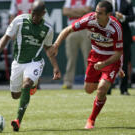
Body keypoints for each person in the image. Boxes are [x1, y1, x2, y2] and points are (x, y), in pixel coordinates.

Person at [0, 0, 61, 132]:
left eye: (37, 15)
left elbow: (48, 48)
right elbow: (6, 37)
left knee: (26, 84)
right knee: (15, 95)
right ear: (30, 10)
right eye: (33, 13)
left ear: (43, 13)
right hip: (18, 62)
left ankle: (18, 120)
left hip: (35, 62)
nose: (34, 17)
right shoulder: (19, 20)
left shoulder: (47, 29)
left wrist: (55, 67)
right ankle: (31, 87)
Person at [50, 1, 124, 129]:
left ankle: (91, 120)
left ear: (108, 15)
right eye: (95, 11)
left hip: (111, 60)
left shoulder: (116, 27)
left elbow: (118, 54)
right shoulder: (89, 19)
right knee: (88, 90)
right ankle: (102, 91)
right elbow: (68, 29)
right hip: (95, 56)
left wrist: (107, 64)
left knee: (101, 89)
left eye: (100, 13)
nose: (96, 15)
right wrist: (56, 45)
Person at [62, 0, 95, 89]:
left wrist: (72, 12)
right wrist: (82, 13)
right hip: (71, 30)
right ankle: (68, 82)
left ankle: (90, 81)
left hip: (85, 30)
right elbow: (65, 11)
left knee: (88, 58)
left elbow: (88, 11)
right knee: (71, 58)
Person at [107, 0, 135, 95]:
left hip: (124, 37)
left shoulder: (127, 2)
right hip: (109, 37)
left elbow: (132, 17)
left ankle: (124, 89)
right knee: (109, 63)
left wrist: (123, 17)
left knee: (124, 63)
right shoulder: (106, 2)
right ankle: (107, 88)